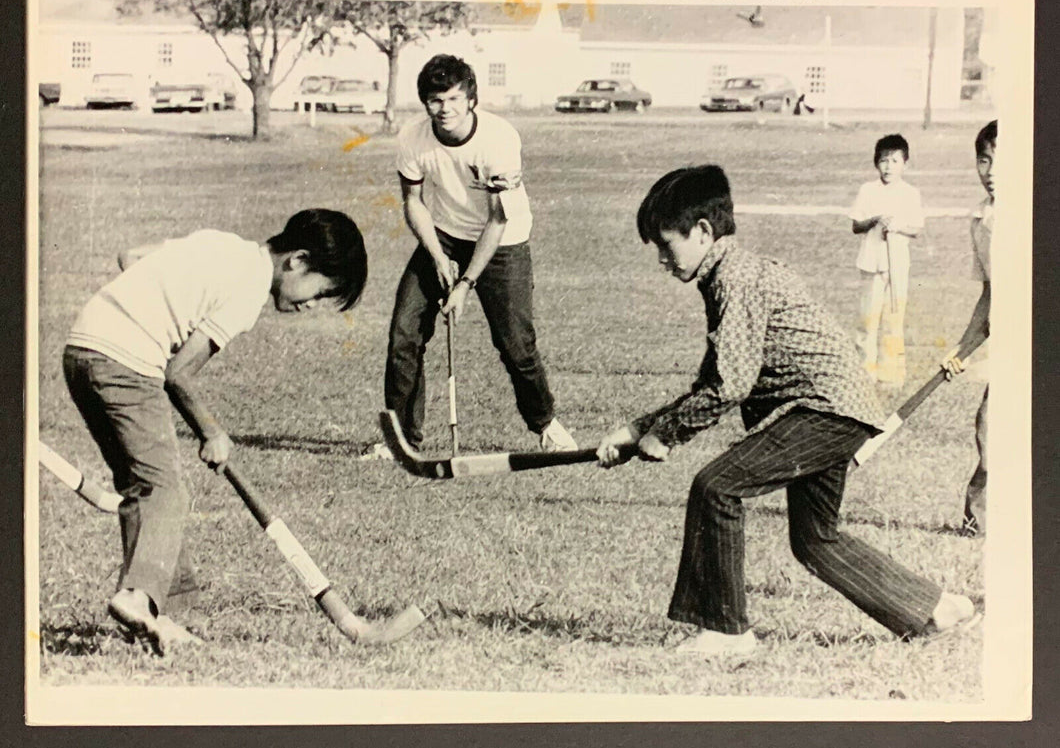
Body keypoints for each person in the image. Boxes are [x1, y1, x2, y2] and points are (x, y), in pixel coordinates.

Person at [596, 166, 978, 656]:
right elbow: (713, 381)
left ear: (704, 232)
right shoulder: (727, 276)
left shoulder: (736, 280)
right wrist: (638, 429)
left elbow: (730, 385)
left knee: (716, 487)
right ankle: (936, 608)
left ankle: (726, 632)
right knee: (815, 538)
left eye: (666, 246)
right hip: (840, 409)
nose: (663, 262)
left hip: (823, 411)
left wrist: (667, 436)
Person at [63, 209, 368, 653]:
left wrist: (161, 305)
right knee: (164, 490)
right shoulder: (248, 291)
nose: (312, 306)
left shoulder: (221, 242)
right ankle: (138, 597)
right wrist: (212, 432)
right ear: (297, 261)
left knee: (145, 489)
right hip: (124, 362)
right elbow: (179, 374)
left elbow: (131, 256)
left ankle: (166, 617)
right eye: (320, 293)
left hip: (82, 350)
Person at [384, 54, 576, 453]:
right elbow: (414, 202)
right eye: (435, 101)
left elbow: (498, 219)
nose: (444, 109)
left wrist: (465, 284)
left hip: (503, 240)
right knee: (405, 334)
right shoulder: (412, 138)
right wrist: (438, 257)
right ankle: (402, 440)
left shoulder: (499, 139)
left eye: (454, 99)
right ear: (425, 103)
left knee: (515, 345)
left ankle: (546, 425)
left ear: (471, 99)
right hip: (445, 234)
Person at [941, 119, 996, 537]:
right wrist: (962, 348)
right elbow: (990, 294)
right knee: (988, 426)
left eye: (1002, 162)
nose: (991, 171)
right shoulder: (980, 219)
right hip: (1013, 346)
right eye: (984, 160)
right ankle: (977, 521)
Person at [849, 134, 924, 386]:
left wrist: (897, 225)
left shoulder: (911, 193)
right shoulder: (867, 190)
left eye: (894, 161)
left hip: (897, 266)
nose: (889, 166)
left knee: (893, 321)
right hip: (871, 264)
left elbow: (916, 228)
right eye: (883, 161)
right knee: (867, 321)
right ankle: (865, 373)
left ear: (905, 164)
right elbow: (856, 225)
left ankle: (890, 374)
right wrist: (874, 220)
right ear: (876, 163)